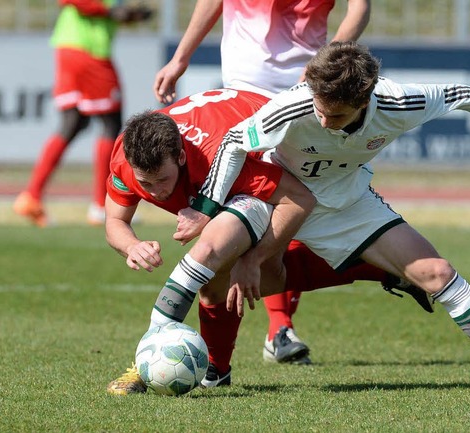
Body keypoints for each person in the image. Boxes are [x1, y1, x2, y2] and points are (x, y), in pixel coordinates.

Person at [168, 42, 470, 397]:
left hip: (347, 203)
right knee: (214, 269)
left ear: (366, 101)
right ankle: (187, 361)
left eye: (337, 116)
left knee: (438, 272)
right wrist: (206, 210)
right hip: (279, 198)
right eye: (320, 111)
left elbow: (464, 94)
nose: (325, 122)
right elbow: (235, 143)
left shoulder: (400, 102)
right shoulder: (294, 105)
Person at [105, 88, 424, 394]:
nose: (156, 192)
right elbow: (115, 222)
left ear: (181, 157)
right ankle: (217, 372)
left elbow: (297, 199)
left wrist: (256, 258)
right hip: (235, 133)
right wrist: (132, 245)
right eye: (145, 183)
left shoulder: (220, 159)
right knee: (223, 282)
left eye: (163, 180)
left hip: (283, 159)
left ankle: (144, 368)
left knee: (212, 257)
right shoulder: (126, 155)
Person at [152, 0, 372, 365]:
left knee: (295, 215)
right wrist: (180, 57)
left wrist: (323, 67)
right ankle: (253, 344)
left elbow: (359, 9)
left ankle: (276, 330)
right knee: (245, 220)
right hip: (241, 97)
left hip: (307, 98)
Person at [13, 0, 152, 227]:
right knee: (110, 121)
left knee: (73, 123)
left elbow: (110, 13)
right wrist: (110, 10)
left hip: (73, 49)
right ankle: (101, 204)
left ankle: (31, 196)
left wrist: (129, 15)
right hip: (88, 52)